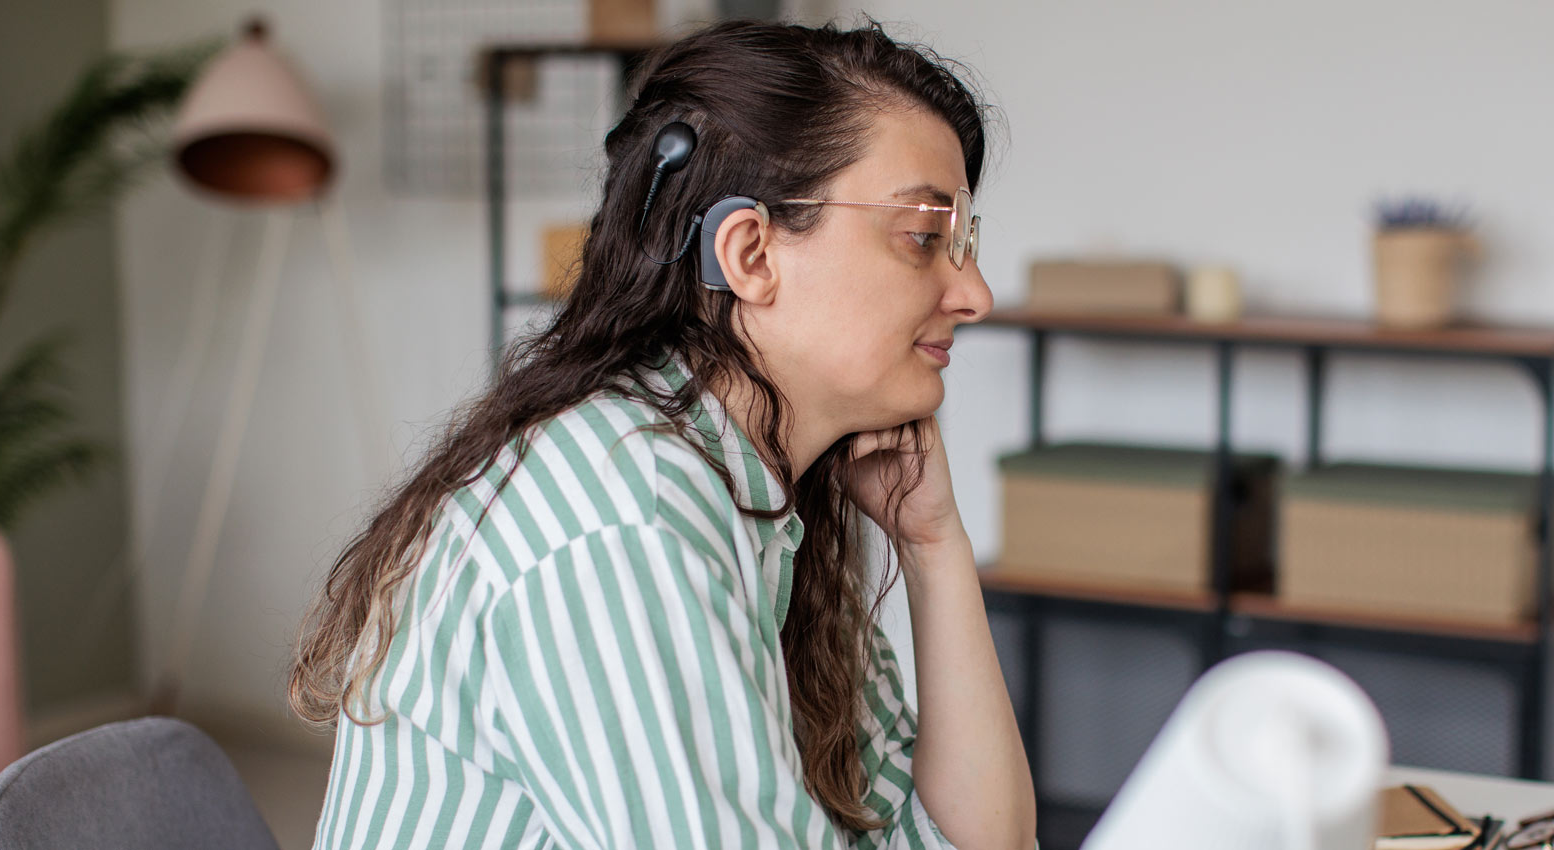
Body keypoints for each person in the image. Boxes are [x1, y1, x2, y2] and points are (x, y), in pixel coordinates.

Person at [289, 18, 1034, 850]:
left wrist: (934, 548)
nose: (973, 293)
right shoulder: (623, 515)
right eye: (926, 239)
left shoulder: (766, 507)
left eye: (962, 244)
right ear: (749, 252)